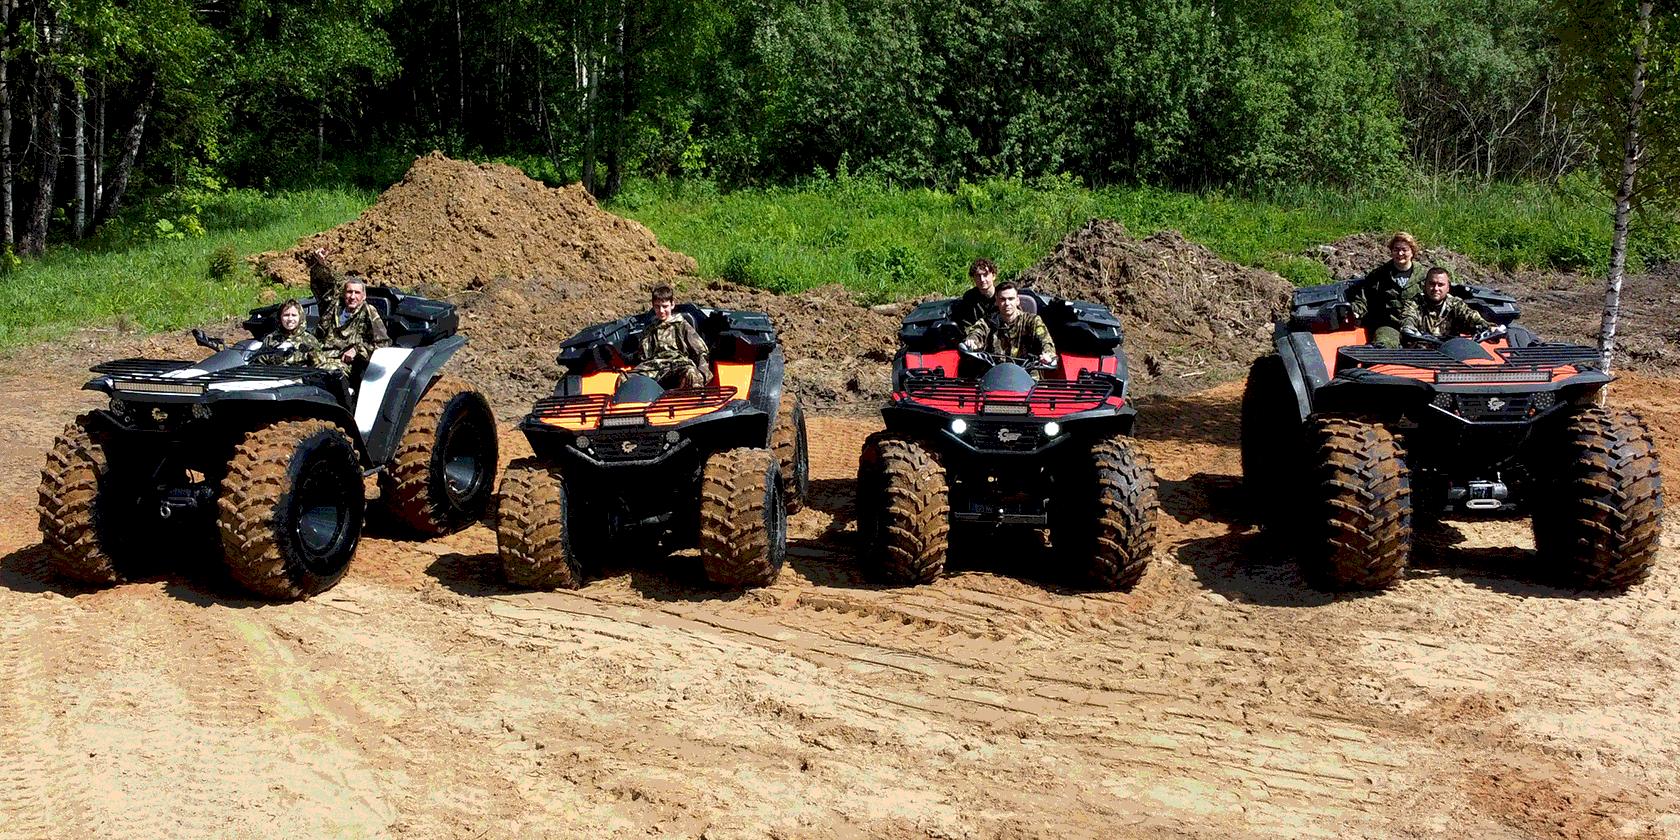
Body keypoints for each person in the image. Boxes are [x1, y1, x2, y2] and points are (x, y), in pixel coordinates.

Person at [1349, 232, 1428, 349]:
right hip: (1389, 326)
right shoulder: (1379, 275)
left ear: (1412, 252)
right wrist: (1352, 311)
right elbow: (1363, 299)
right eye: (1396, 250)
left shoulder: (1425, 276)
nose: (1400, 254)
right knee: (1383, 345)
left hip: (1417, 326)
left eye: (1404, 250)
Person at [629, 284, 711, 389]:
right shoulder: (650, 329)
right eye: (657, 306)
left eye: (665, 306)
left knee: (691, 373)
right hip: (654, 368)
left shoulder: (682, 326)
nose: (661, 311)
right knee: (626, 379)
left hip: (677, 366)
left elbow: (701, 352)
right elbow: (643, 357)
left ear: (672, 305)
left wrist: (703, 374)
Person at [963, 281, 1057, 369]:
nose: (1007, 303)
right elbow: (977, 332)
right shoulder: (988, 322)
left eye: (1011, 299)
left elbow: (1046, 341)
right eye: (1002, 299)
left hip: (1027, 373)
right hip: (996, 373)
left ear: (1017, 301)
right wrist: (972, 341)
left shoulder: (1032, 321)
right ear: (996, 302)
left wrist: (1047, 355)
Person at [318, 277, 391, 378]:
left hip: (345, 364)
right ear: (344, 294)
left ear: (364, 296)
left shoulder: (368, 311)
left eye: (357, 293)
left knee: (325, 373)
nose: (352, 296)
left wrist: (357, 350)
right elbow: (319, 332)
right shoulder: (334, 309)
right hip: (323, 356)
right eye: (349, 292)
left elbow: (383, 344)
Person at [1402, 266, 1493, 341]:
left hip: (1449, 352)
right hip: (1421, 354)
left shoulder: (1455, 304)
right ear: (1425, 285)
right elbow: (1408, 317)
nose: (1436, 289)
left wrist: (1488, 327)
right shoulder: (1415, 303)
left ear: (1448, 287)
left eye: (1440, 285)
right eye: (1432, 284)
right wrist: (1409, 329)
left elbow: (1470, 316)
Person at [255, 299, 323, 366]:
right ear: (280, 317)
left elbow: (320, 366)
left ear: (300, 317)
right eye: (286, 315)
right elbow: (259, 364)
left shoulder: (309, 340)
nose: (290, 319)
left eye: (294, 315)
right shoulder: (271, 339)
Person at [951, 258, 999, 328]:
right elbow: (965, 324)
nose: (982, 279)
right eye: (978, 276)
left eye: (985, 275)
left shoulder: (1003, 296)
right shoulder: (970, 298)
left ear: (994, 276)